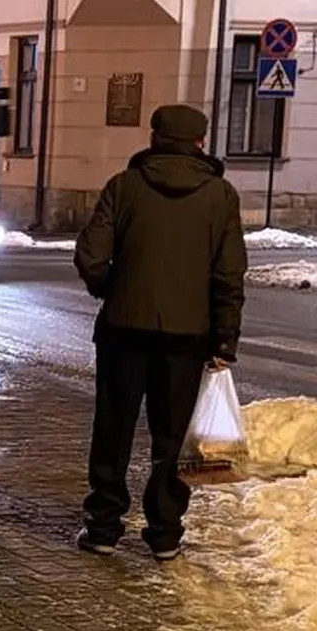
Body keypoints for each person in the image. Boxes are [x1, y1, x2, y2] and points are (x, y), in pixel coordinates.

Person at [73, 100, 246, 561]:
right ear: (200, 142)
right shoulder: (220, 196)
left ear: (154, 138)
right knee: (171, 438)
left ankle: (104, 527)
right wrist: (225, 338)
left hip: (123, 331)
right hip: (188, 340)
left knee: (113, 428)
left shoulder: (124, 187)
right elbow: (229, 274)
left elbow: (90, 254)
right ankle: (165, 531)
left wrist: (113, 288)